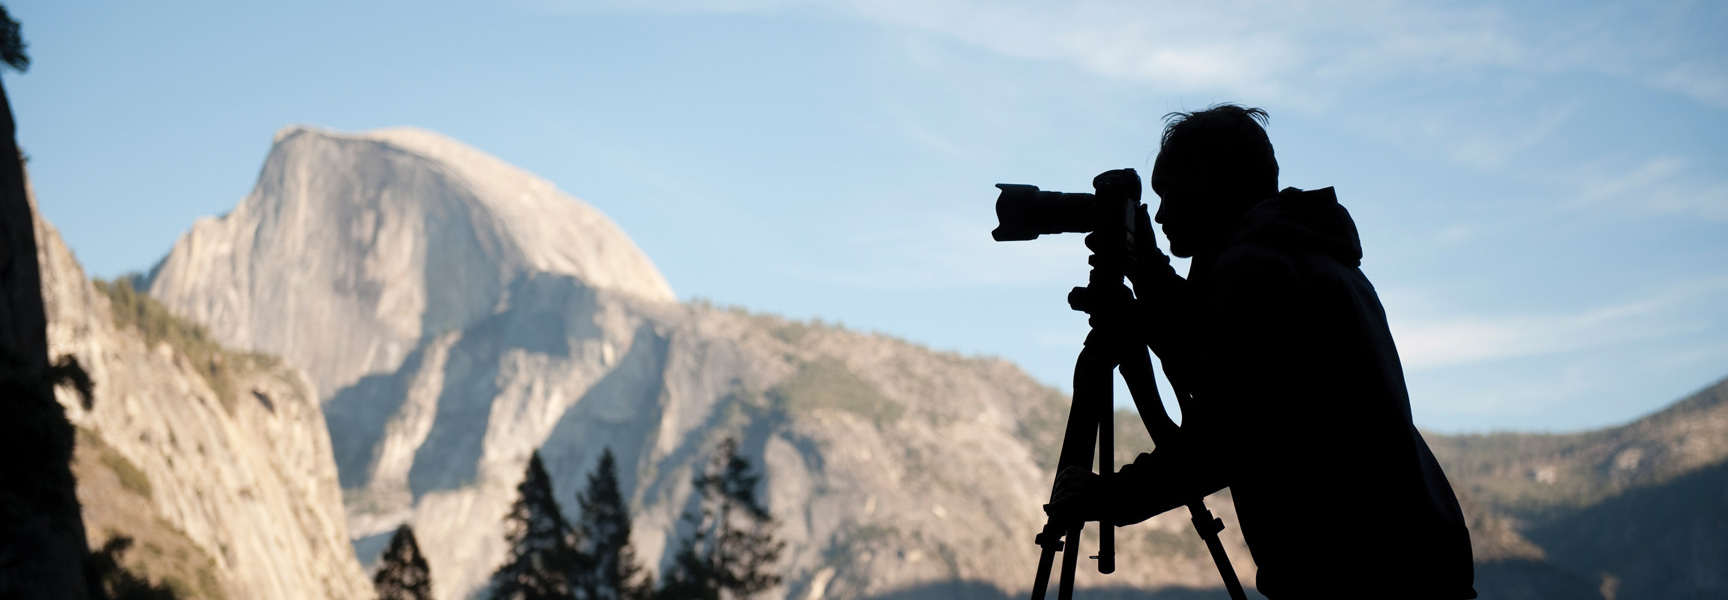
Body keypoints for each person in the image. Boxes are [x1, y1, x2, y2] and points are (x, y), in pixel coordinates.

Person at [1049, 104, 1476, 599]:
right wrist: (1145, 268)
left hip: (1360, 575)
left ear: (1206, 181)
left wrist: (1111, 496)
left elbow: (1227, 432)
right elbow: (1215, 364)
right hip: (1406, 562)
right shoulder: (1299, 257)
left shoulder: (1256, 271)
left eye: (1169, 193)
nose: (1161, 213)